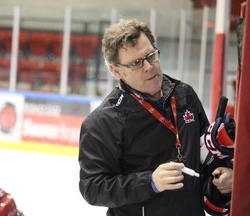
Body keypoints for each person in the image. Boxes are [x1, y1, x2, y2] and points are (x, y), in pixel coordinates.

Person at [78, 18, 233, 216]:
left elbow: (206, 151)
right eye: (136, 63)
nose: (148, 67)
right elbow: (92, 188)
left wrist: (226, 172)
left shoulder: (185, 95)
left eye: (151, 56)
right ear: (116, 70)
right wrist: (150, 182)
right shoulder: (102, 122)